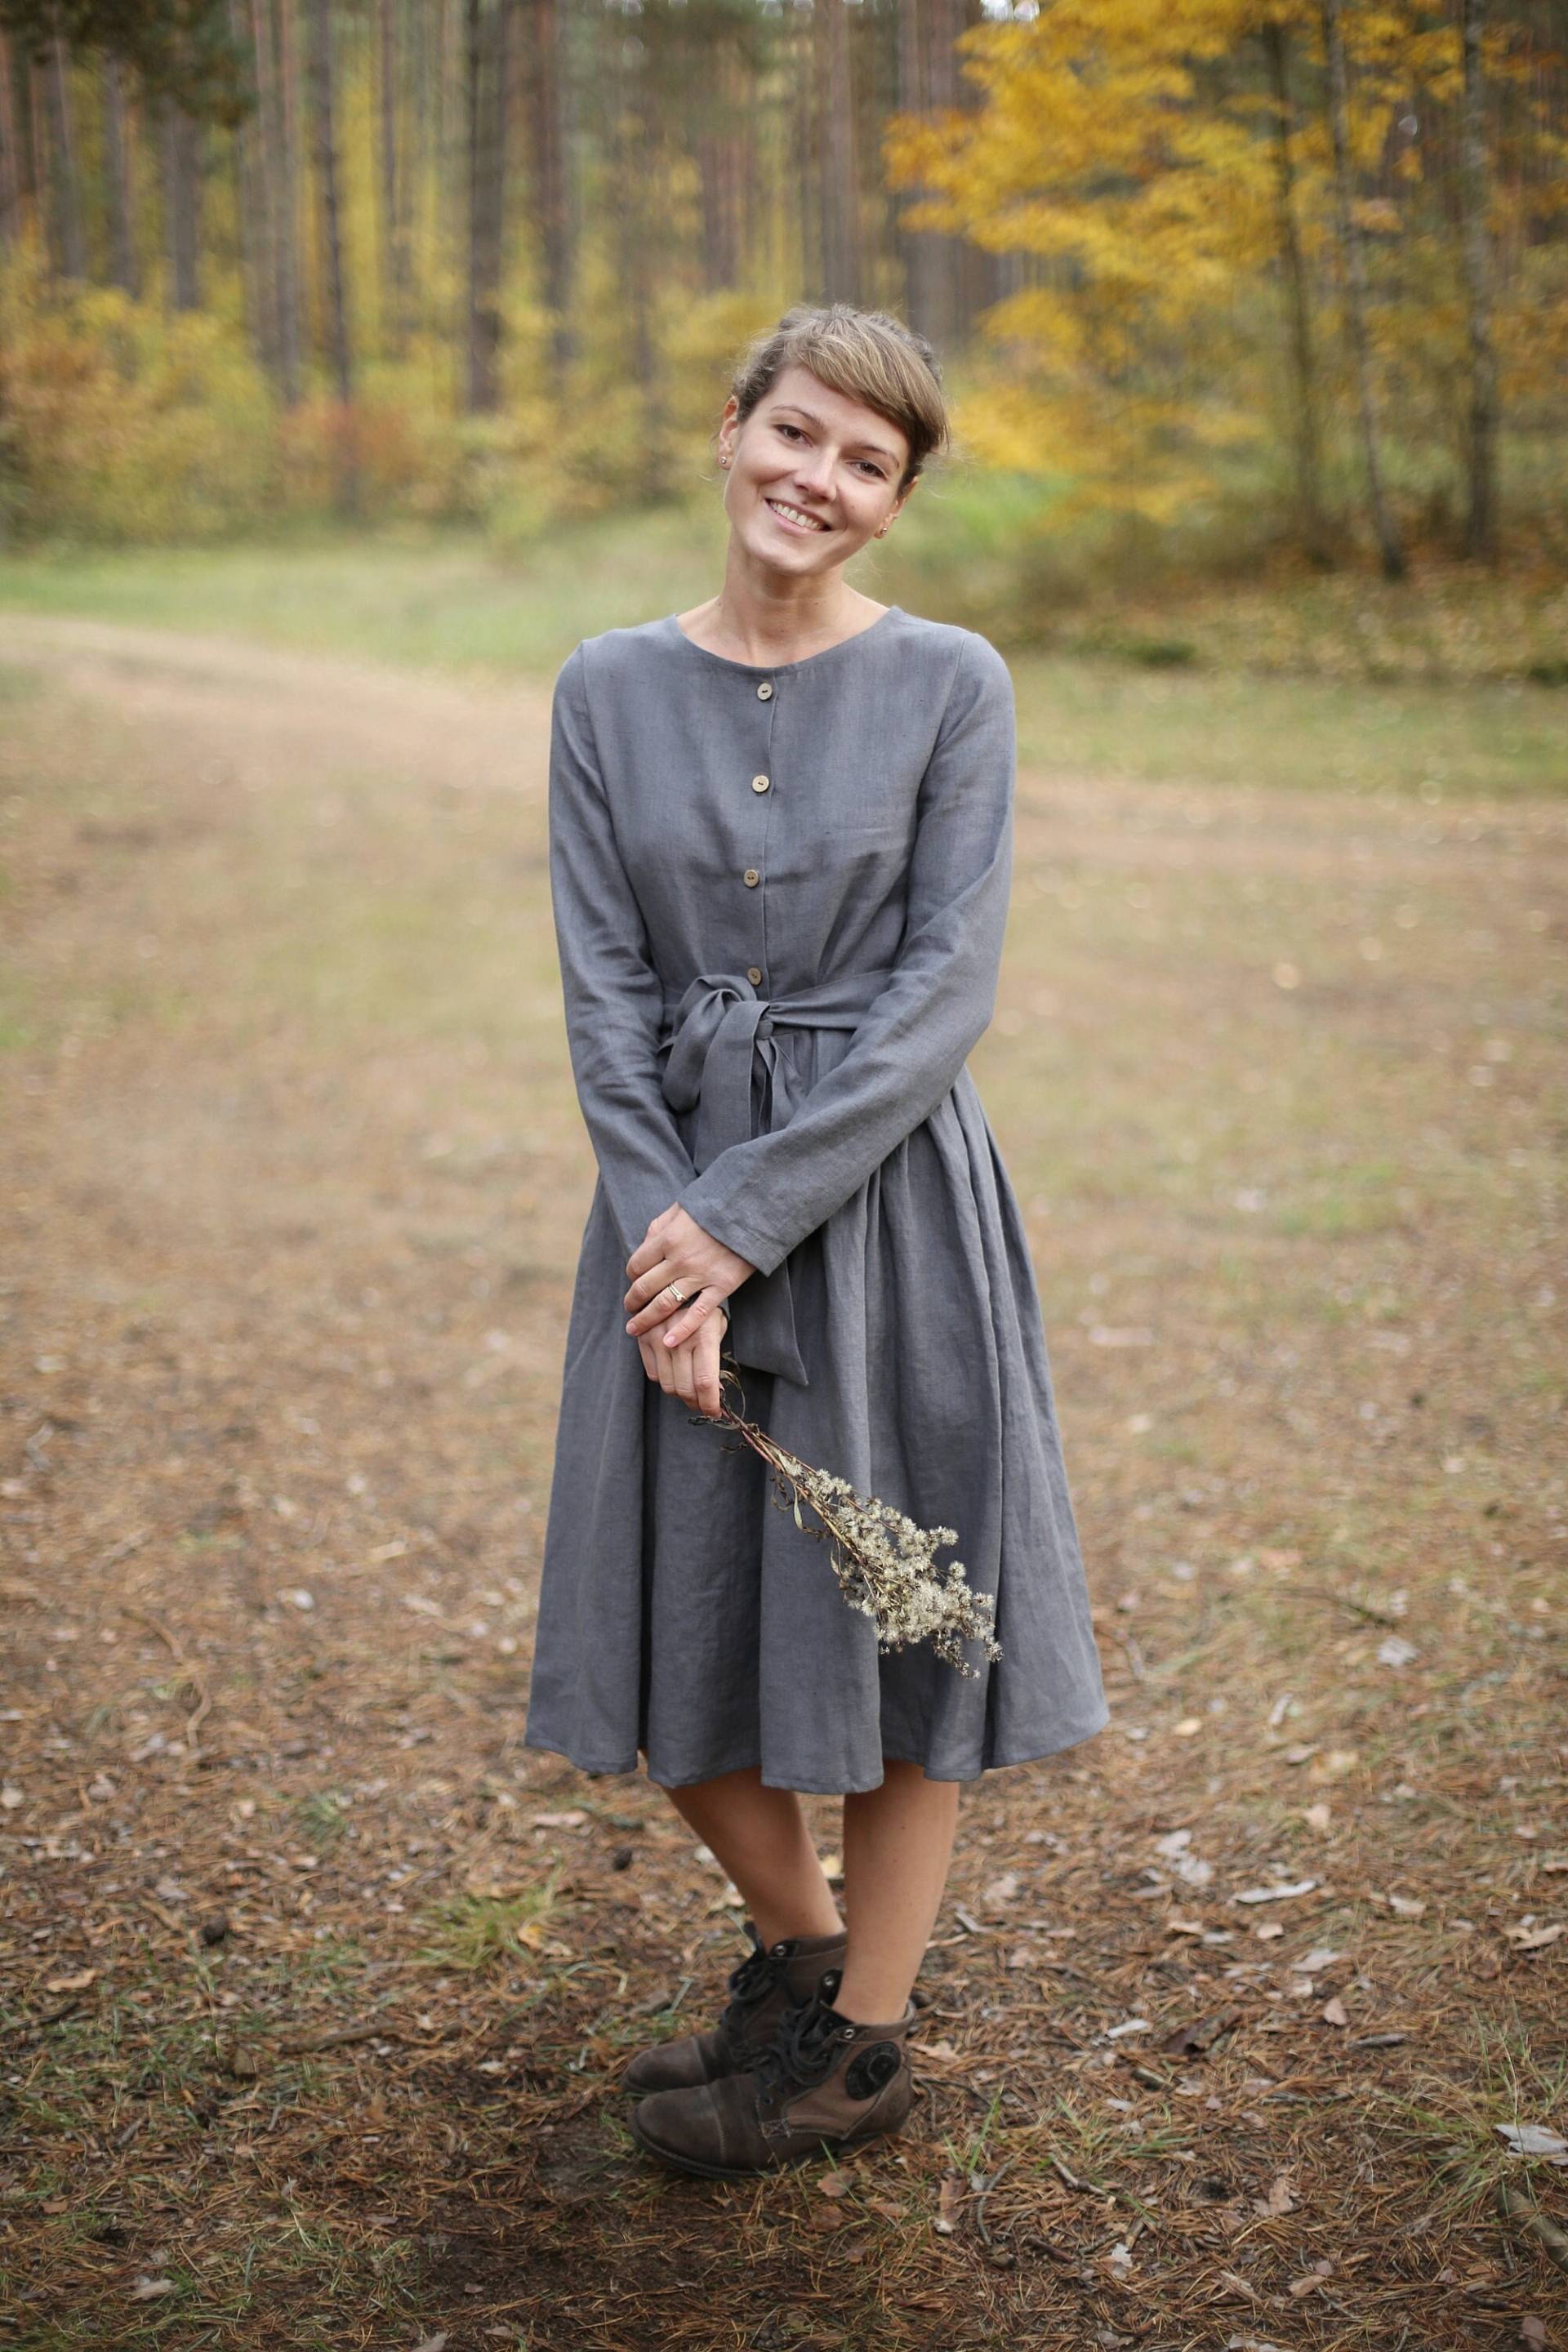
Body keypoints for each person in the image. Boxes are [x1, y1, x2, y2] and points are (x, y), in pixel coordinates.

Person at [524, 302, 1107, 2180]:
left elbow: (947, 992)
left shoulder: (955, 684)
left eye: (867, 463)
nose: (819, 482)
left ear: (897, 498)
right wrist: (666, 1242)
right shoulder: (604, 685)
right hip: (669, 1202)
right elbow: (605, 994)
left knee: (906, 1619)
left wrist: (747, 1221)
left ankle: (859, 2050)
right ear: (734, 428)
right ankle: (803, 1956)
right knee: (670, 1619)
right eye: (798, 435)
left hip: (892, 1211)